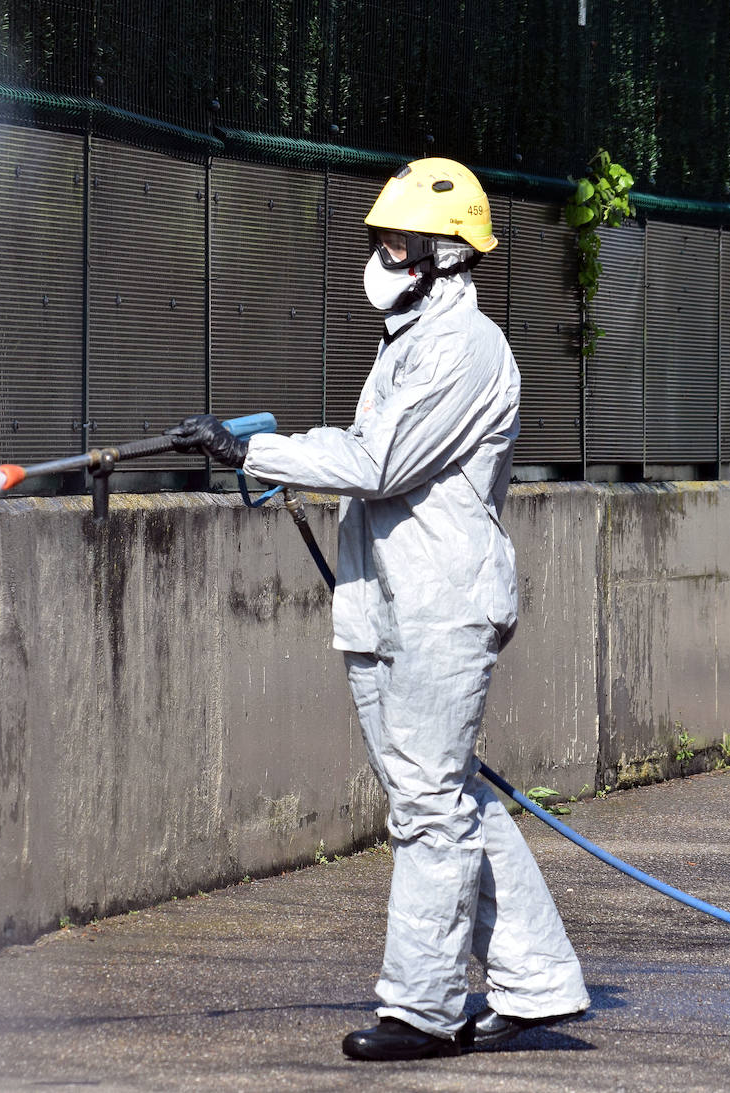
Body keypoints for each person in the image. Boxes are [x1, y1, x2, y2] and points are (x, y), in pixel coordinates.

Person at [167, 158, 590, 1061]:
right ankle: (536, 979)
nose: (384, 255)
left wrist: (257, 455)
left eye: (398, 241)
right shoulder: (410, 343)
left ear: (444, 253)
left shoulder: (468, 349)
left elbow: (378, 463)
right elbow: (367, 450)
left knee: (430, 804)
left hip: (442, 606)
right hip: (387, 602)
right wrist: (258, 454)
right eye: (382, 240)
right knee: (441, 795)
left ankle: (422, 1010)